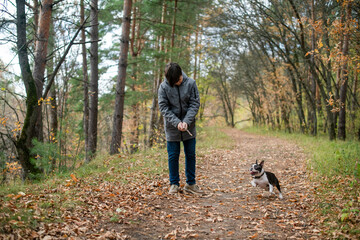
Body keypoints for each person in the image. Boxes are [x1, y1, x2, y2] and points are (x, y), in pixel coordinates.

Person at [158, 62, 204, 195]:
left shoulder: (191, 83)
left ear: (180, 74)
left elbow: (195, 103)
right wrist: (177, 122)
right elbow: (164, 108)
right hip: (172, 128)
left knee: (190, 155)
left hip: (189, 127)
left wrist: (186, 121)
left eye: (179, 79)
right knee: (173, 156)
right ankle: (174, 184)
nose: (178, 82)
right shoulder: (163, 87)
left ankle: (190, 184)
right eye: (175, 81)